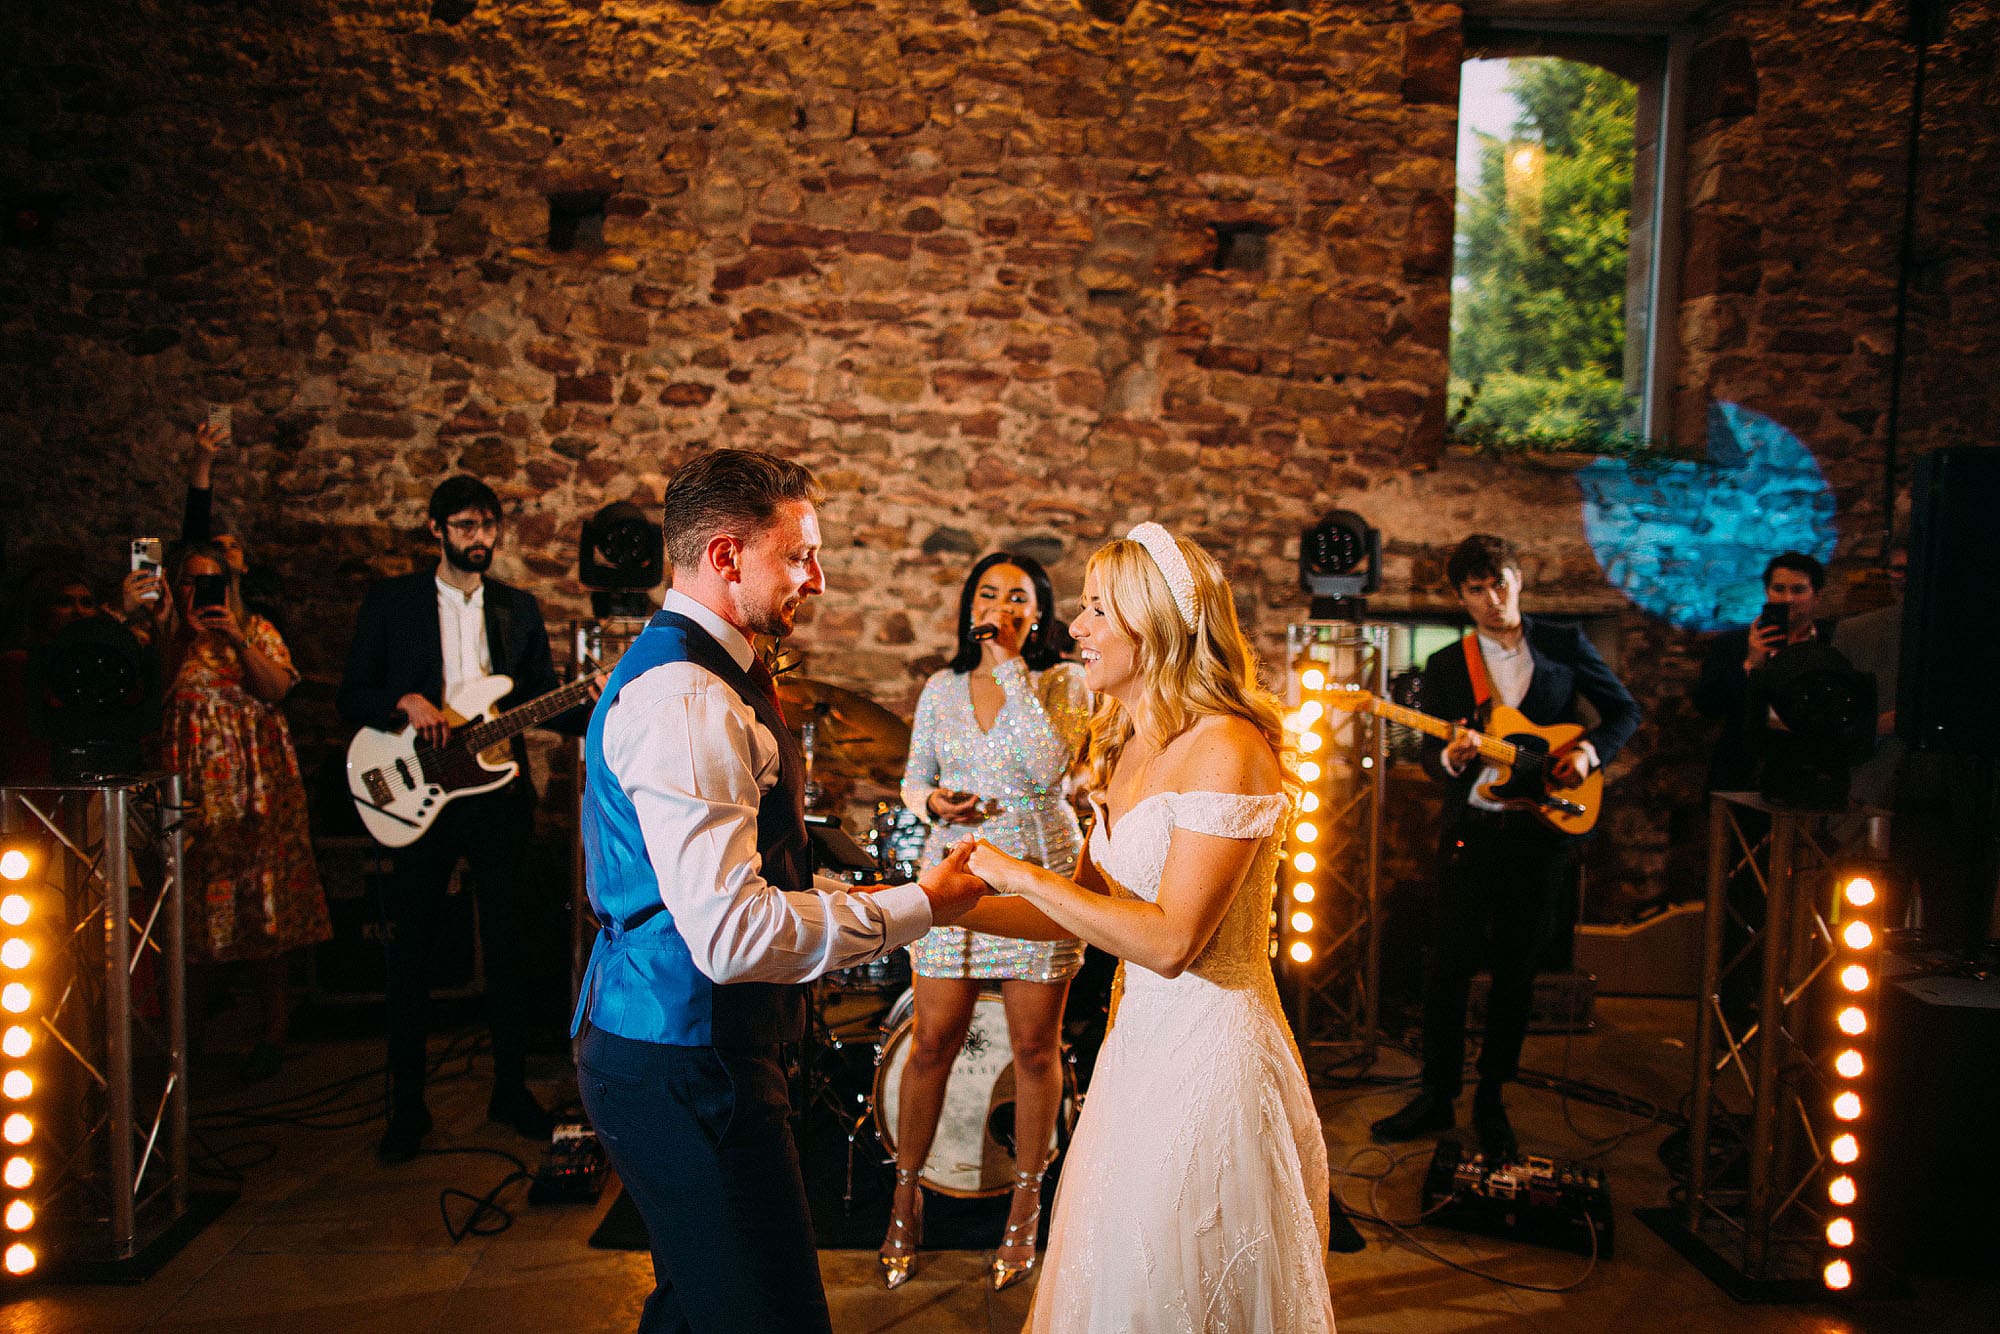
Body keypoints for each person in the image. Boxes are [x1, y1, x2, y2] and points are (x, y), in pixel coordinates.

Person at [571, 448, 986, 1334]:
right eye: (800, 555)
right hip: (685, 1058)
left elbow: (742, 878)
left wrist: (839, 885)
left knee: (698, 1310)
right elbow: (731, 935)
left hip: (686, 1049)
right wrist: (921, 907)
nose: (820, 579)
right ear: (726, 556)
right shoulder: (688, 697)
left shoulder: (711, 672)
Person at [951, 522, 1337, 1333]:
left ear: (1155, 623)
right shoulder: (1131, 745)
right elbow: (1078, 913)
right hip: (1135, 1052)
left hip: (1213, 1056)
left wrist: (1019, 868)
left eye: (1097, 610)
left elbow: (1168, 942)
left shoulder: (1228, 747)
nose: (1075, 629)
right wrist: (920, 906)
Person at [337, 475, 588, 1162]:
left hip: (496, 795)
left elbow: (541, 698)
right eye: (465, 526)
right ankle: (407, 1108)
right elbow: (349, 693)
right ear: (436, 531)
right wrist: (403, 703)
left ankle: (510, 1091)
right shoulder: (393, 603)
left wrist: (605, 704)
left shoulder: (518, 609)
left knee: (511, 947)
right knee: (411, 951)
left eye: (488, 526)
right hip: (418, 796)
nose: (480, 539)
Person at [1370, 534, 1639, 1162]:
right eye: (1476, 590)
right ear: (1460, 598)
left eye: (1500, 583)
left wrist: (1587, 752)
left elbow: (1624, 712)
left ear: (1519, 577)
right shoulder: (1446, 665)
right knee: (1447, 971)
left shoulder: (1565, 644)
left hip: (1543, 834)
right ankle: (1437, 1094)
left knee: (1517, 973)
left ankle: (1493, 1099)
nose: (1492, 599)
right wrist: (1449, 756)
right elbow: (1431, 761)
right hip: (1474, 833)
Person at [880, 551, 1092, 1291]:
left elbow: (1046, 769)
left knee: (1037, 1047)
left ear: (1038, 614)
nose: (1001, 606)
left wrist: (1009, 667)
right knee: (931, 1040)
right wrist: (930, 804)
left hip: (1040, 874)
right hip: (955, 873)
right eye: (989, 593)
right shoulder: (939, 688)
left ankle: (1026, 1207)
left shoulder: (1063, 681)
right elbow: (913, 777)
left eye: (1019, 597)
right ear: (970, 603)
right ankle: (905, 1196)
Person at [160, 542, 330, 1080]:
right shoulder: (166, 639)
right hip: (192, 793)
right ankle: (186, 1042)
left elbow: (277, 687)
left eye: (212, 581)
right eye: (190, 581)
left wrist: (234, 636)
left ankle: (272, 1033)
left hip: (257, 791)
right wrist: (177, 631)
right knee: (191, 918)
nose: (201, 591)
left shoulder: (254, 630)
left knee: (264, 914)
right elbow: (149, 694)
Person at [1692, 551, 1836, 795]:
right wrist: (1751, 664)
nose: (1787, 599)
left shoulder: (1834, 642)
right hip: (1746, 773)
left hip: (1813, 771)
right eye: (1778, 589)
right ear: (1767, 592)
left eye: (1798, 590)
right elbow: (1708, 706)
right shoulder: (1732, 646)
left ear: (1817, 596)